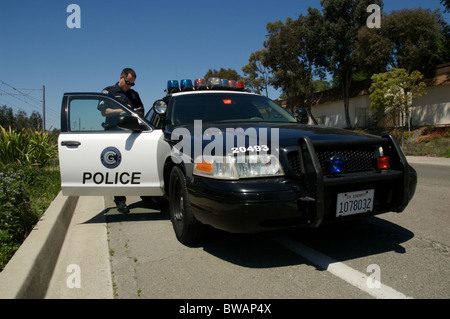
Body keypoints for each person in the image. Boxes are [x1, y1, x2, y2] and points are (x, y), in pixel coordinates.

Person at [100, 68, 147, 213]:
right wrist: (122, 110)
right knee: (117, 167)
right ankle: (120, 201)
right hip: (115, 133)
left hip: (132, 132)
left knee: (138, 165)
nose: (129, 86)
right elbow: (104, 111)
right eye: (128, 82)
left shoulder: (134, 94)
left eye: (132, 84)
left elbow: (140, 111)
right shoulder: (109, 92)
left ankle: (147, 196)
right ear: (121, 77)